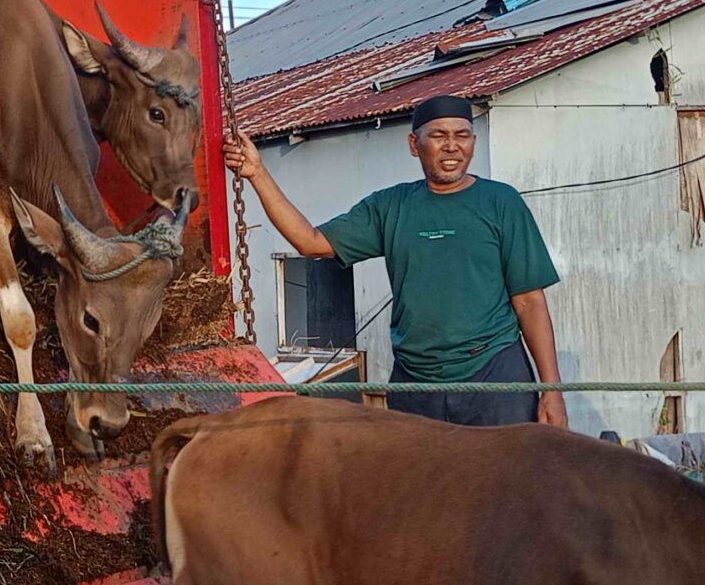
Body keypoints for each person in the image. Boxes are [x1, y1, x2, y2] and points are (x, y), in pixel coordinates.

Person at [223, 94, 568, 428]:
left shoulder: (500, 202)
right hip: (415, 378)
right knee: (418, 485)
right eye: (438, 136)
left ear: (473, 143)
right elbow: (311, 242)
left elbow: (528, 301)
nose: (452, 146)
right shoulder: (391, 207)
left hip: (494, 372)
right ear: (414, 145)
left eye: (462, 136)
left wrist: (551, 390)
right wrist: (257, 173)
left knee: (502, 483)